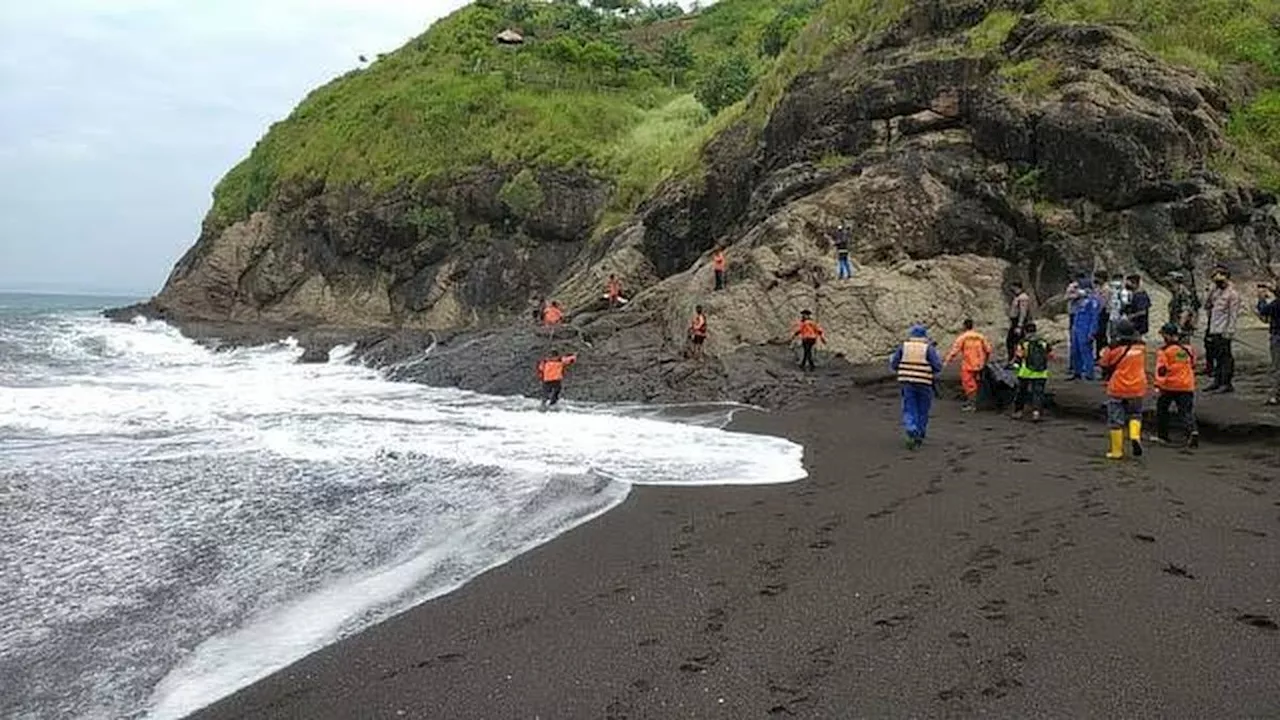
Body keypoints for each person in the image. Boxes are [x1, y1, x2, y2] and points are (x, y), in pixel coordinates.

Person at [1098, 318, 1148, 460]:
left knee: (1116, 421)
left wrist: (1106, 350)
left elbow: (1104, 363)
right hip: (1137, 386)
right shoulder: (1141, 348)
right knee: (1135, 414)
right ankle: (1135, 435)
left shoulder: (1114, 349)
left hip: (1118, 387)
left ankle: (1116, 451)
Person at [889, 324, 944, 449]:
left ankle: (911, 427)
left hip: (906, 381)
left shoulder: (904, 346)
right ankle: (919, 433)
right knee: (923, 409)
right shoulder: (928, 348)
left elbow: (894, 364)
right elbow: (937, 366)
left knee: (909, 406)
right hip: (924, 382)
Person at [1154, 322, 1199, 448]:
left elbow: (1161, 370)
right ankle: (1193, 431)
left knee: (1162, 410)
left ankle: (1163, 436)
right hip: (1186, 385)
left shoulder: (1164, 351)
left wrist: (1158, 386)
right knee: (1186, 412)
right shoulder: (1188, 350)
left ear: (1167, 336)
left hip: (1169, 386)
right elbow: (1193, 364)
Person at [1204, 265, 1242, 393]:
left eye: (1219, 278)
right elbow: (1207, 305)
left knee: (1225, 357)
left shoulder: (1232, 294)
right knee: (1216, 356)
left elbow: (1233, 314)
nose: (1217, 281)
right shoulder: (1216, 291)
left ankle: (1226, 383)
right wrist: (1211, 291)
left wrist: (1230, 330)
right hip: (1214, 328)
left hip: (1224, 330)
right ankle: (1217, 381)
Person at [944, 319, 992, 411]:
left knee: (969, 384)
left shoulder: (963, 337)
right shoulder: (980, 336)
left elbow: (955, 350)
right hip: (979, 364)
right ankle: (976, 402)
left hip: (968, 364)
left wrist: (947, 361)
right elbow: (988, 349)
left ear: (964, 326)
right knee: (978, 383)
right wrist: (985, 360)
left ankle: (972, 404)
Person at [1011, 322, 1052, 422]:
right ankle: (1036, 413)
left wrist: (1015, 366)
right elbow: (1049, 355)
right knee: (1038, 393)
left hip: (1026, 372)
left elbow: (1019, 357)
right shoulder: (1043, 342)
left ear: (1025, 331)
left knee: (1021, 393)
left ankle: (1018, 411)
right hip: (1041, 372)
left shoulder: (1023, 342)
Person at [1069, 276, 1100, 381]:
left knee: (1086, 351)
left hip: (1086, 329)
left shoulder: (1093, 301)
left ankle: (1089, 373)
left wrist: (1092, 332)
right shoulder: (1080, 300)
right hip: (1077, 328)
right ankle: (1077, 372)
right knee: (1075, 351)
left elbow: (1094, 317)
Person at [1257, 281, 1280, 406]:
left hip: (1277, 336)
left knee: (1277, 368)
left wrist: (1261, 299)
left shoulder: (1276, 304)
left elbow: (1263, 311)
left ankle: (1275, 396)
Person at [1166, 271, 1199, 341]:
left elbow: (1186, 311)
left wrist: (1179, 328)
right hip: (1175, 324)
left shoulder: (1184, 293)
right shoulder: (1176, 293)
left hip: (1182, 328)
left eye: (1170, 282)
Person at [1005, 281, 1032, 364]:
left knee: (1015, 342)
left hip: (1018, 322)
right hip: (1014, 322)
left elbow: (1023, 312)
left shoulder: (1023, 298)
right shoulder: (1017, 297)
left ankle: (1016, 360)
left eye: (1013, 287)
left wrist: (1019, 326)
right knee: (1012, 342)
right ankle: (1013, 359)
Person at [1092, 270, 1111, 362]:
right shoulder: (1099, 288)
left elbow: (1102, 303)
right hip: (1098, 313)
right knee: (1098, 335)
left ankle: (1103, 356)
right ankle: (1098, 355)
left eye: (1097, 277)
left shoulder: (1106, 289)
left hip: (1103, 313)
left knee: (1101, 335)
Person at [1107, 273, 1131, 342]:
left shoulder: (1112, 289)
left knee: (1114, 335)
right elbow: (1125, 304)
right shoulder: (1123, 291)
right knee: (1117, 336)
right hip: (1117, 316)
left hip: (1114, 316)